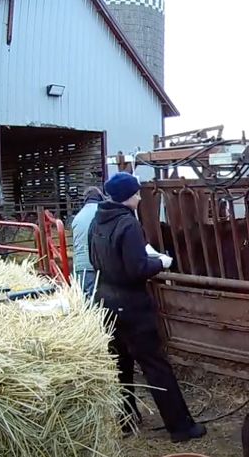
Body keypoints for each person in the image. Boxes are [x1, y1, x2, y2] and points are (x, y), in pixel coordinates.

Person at [88, 171, 206, 442]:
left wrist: (142, 253)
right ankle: (181, 427)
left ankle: (126, 419)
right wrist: (160, 263)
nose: (140, 197)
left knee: (121, 364)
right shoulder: (128, 223)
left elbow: (97, 260)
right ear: (128, 197)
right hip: (131, 306)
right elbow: (137, 269)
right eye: (137, 193)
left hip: (105, 301)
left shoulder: (99, 219)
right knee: (155, 366)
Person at [71, 186, 105, 297]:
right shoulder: (102, 213)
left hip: (81, 266)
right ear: (100, 197)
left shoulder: (77, 218)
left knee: (87, 302)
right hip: (98, 264)